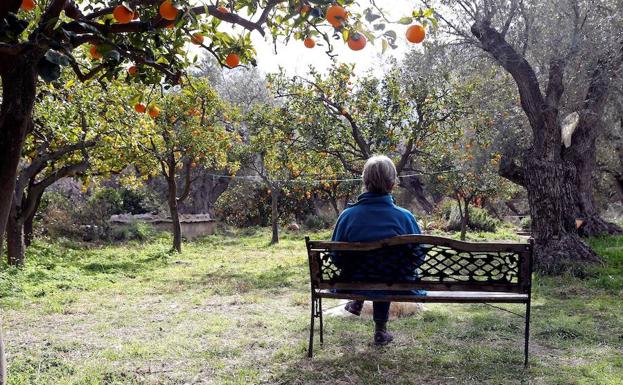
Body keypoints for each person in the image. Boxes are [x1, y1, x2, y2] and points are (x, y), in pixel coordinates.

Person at [331, 155, 424, 346]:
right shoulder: (405, 217)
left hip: (356, 280)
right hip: (395, 280)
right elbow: (418, 255)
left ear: (365, 182)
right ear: (392, 184)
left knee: (370, 271)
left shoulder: (347, 216)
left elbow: (336, 255)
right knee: (386, 273)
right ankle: (380, 331)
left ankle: (359, 299)